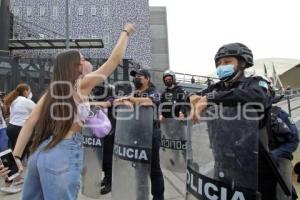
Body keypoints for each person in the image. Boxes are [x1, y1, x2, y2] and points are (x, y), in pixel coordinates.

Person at [0, 22, 134, 199]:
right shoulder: (81, 84)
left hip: (40, 152)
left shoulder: (54, 90)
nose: (87, 62)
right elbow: (114, 60)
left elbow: (30, 121)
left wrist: (16, 156)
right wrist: (126, 32)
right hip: (63, 152)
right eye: (83, 60)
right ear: (74, 67)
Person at [188, 43, 276, 200]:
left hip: (254, 162)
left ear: (242, 63)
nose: (222, 66)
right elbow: (190, 97)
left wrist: (211, 98)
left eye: (227, 62)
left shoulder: (256, 82)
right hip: (222, 160)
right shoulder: (216, 87)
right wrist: (191, 97)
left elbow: (259, 96)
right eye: (219, 63)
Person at [114, 68, 165, 200]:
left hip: (152, 132)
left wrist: (130, 100)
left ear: (147, 78)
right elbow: (117, 101)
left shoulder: (153, 92)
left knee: (154, 168)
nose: (136, 78)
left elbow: (149, 102)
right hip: (135, 133)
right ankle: (141, 195)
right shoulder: (133, 92)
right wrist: (127, 101)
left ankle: (158, 197)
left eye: (140, 76)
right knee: (139, 169)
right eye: (135, 76)